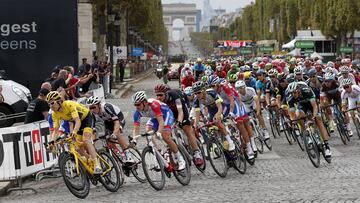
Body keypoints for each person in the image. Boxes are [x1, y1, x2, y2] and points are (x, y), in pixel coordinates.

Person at [46, 91, 102, 174]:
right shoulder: (55, 114)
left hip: (86, 118)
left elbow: (77, 121)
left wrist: (74, 132)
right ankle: (89, 159)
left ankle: (97, 164)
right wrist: (52, 142)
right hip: (76, 122)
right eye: (49, 104)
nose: (50, 106)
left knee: (86, 140)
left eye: (52, 103)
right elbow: (56, 130)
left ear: (59, 101)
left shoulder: (69, 105)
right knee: (77, 147)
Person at [132, 91, 186, 170]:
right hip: (155, 117)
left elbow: (161, 121)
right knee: (148, 130)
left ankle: (180, 159)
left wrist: (159, 132)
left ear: (145, 102)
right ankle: (159, 151)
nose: (137, 107)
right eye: (135, 105)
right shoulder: (137, 112)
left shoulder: (154, 105)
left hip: (166, 114)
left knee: (164, 135)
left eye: (138, 104)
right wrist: (134, 140)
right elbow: (136, 128)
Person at [154, 84, 204, 167]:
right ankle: (177, 154)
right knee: (167, 132)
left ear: (166, 94)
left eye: (160, 95)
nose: (158, 97)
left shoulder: (174, 95)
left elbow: (180, 111)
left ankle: (197, 153)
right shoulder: (158, 102)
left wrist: (180, 122)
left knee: (186, 129)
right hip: (171, 113)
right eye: (157, 95)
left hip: (181, 109)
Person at [286, 82, 331, 158]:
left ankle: (327, 146)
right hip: (302, 106)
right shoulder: (290, 99)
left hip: (312, 104)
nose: (293, 94)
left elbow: (314, 107)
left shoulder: (307, 91)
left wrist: (314, 116)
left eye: (294, 92)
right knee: (299, 115)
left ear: (299, 90)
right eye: (291, 93)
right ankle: (307, 134)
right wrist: (293, 121)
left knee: (318, 119)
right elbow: (292, 114)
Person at [86, 96, 134, 164]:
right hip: (108, 121)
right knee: (109, 141)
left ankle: (128, 156)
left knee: (117, 133)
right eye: (90, 108)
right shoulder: (92, 114)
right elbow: (93, 130)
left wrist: (114, 134)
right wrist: (93, 142)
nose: (92, 110)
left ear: (99, 105)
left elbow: (116, 123)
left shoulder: (106, 107)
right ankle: (121, 157)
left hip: (118, 118)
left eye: (94, 107)